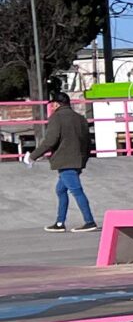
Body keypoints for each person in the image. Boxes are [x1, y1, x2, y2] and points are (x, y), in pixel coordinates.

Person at [31, 94, 97, 230]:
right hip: (78, 159)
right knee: (61, 190)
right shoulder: (80, 118)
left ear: (57, 104)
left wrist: (33, 156)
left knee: (76, 190)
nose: (52, 106)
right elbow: (87, 141)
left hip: (65, 160)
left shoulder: (56, 118)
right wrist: (84, 158)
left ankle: (89, 221)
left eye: (53, 103)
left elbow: (50, 140)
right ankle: (60, 223)